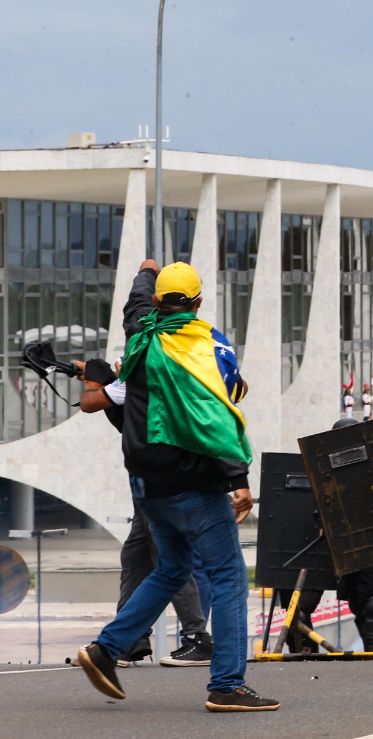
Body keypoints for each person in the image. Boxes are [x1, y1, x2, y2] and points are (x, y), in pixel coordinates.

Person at [75, 260, 279, 712]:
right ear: (199, 303)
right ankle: (227, 684)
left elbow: (133, 305)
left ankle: (106, 651)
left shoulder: (140, 336)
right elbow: (218, 418)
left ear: (154, 302)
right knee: (228, 578)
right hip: (193, 485)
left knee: (170, 569)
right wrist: (238, 480)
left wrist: (145, 270)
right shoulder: (205, 346)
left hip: (147, 484)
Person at [75, 360, 214, 668]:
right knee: (136, 556)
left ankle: (196, 637)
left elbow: (90, 402)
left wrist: (96, 375)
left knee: (171, 562)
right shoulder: (146, 377)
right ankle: (127, 641)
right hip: (151, 481)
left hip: (158, 483)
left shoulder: (138, 380)